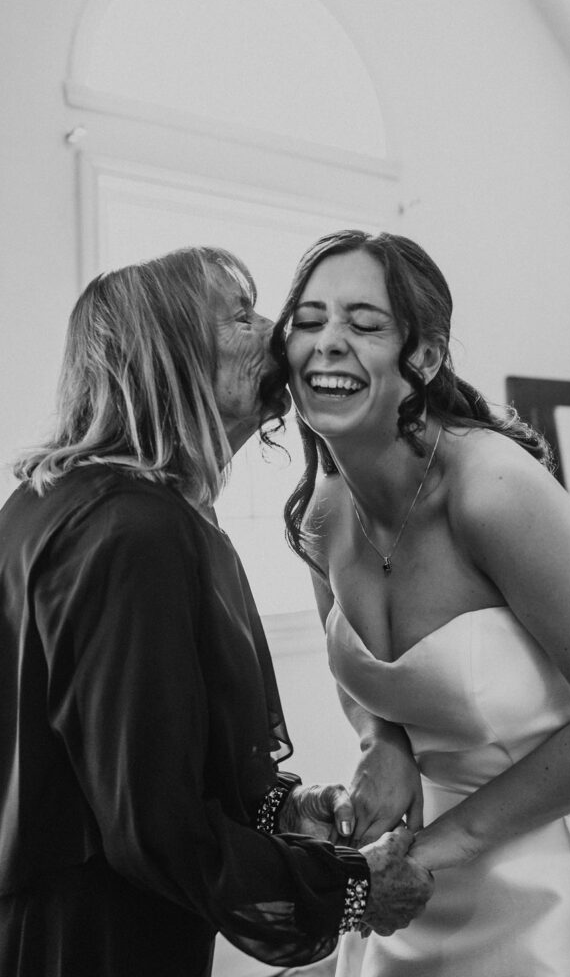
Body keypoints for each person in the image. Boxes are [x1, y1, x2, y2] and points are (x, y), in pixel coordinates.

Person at [0, 246, 434, 977]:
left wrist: (284, 817)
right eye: (239, 315)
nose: (278, 331)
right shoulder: (134, 530)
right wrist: (353, 891)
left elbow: (125, 760)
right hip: (94, 943)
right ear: (166, 355)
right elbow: (150, 826)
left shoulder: (65, 502)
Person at [273, 228, 570, 977]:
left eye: (364, 324)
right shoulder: (322, 512)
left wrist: (434, 851)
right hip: (416, 886)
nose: (327, 343)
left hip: (567, 875)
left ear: (423, 358)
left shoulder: (492, 492)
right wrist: (382, 746)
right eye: (308, 320)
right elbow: (365, 682)